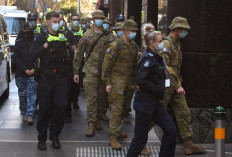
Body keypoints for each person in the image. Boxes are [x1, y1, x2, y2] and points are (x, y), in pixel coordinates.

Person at [126, 23, 176, 157]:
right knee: (140, 139)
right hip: (145, 104)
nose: (162, 44)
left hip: (155, 103)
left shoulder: (157, 57)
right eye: (160, 41)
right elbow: (141, 80)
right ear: (152, 43)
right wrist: (158, 89)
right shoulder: (148, 58)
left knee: (170, 130)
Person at [161, 16, 207, 155]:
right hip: (167, 87)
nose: (185, 32)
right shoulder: (166, 44)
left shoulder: (177, 43)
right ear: (177, 29)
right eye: (184, 29)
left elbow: (176, 68)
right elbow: (165, 67)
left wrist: (178, 84)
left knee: (184, 113)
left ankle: (188, 144)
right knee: (155, 116)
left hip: (175, 86)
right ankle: (141, 143)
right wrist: (177, 85)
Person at [30, 11, 71, 150]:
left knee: (61, 106)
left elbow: (70, 54)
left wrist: (67, 47)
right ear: (47, 22)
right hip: (46, 77)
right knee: (44, 109)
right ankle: (41, 138)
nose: (57, 24)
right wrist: (44, 46)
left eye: (58, 21)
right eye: (54, 21)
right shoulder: (41, 36)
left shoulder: (63, 36)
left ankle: (55, 136)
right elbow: (32, 54)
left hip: (60, 77)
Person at [73, 10, 115, 137]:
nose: (99, 20)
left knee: (102, 99)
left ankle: (97, 119)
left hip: (104, 73)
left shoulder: (109, 35)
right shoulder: (87, 35)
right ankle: (91, 124)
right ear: (93, 20)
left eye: (101, 18)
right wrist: (75, 71)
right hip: (90, 72)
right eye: (97, 18)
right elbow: (79, 54)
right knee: (92, 99)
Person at [101, 19, 138, 150]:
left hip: (128, 84)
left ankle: (117, 130)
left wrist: (136, 82)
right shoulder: (115, 45)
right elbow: (106, 65)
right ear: (125, 31)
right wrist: (107, 82)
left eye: (135, 31)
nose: (134, 33)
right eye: (132, 31)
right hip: (116, 83)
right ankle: (113, 137)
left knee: (123, 109)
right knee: (116, 110)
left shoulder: (134, 46)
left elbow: (134, 66)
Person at [14, 22, 38, 125]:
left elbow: (38, 57)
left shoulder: (36, 42)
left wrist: (33, 69)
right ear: (24, 30)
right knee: (22, 95)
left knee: (32, 95)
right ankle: (24, 113)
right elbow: (16, 58)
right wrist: (25, 69)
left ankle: (30, 115)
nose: (30, 32)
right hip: (21, 73)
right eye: (28, 30)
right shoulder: (19, 42)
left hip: (33, 73)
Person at [57, 11, 77, 123]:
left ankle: (67, 113)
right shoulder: (48, 33)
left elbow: (74, 50)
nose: (59, 22)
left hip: (67, 67)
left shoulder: (69, 33)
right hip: (54, 67)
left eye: (61, 19)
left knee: (68, 92)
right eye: (57, 20)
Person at [69, 13, 84, 110]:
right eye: (74, 19)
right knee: (69, 82)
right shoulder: (67, 31)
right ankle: (69, 101)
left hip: (80, 60)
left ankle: (75, 100)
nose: (76, 21)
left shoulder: (83, 32)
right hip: (69, 60)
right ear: (71, 21)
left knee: (77, 83)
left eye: (77, 19)